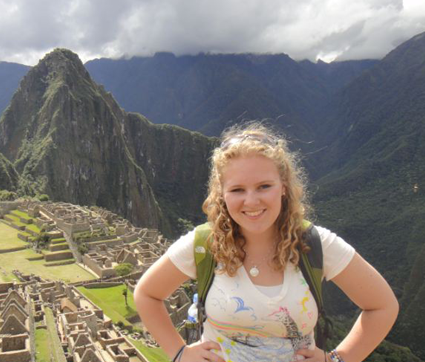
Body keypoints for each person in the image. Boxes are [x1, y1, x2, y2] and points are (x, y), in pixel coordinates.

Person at [134, 122, 398, 362]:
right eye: (237, 189)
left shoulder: (316, 244)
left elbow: (382, 306)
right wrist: (179, 353)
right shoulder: (204, 244)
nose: (251, 201)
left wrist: (337, 359)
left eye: (264, 186)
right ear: (222, 194)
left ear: (283, 186)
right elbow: (146, 294)